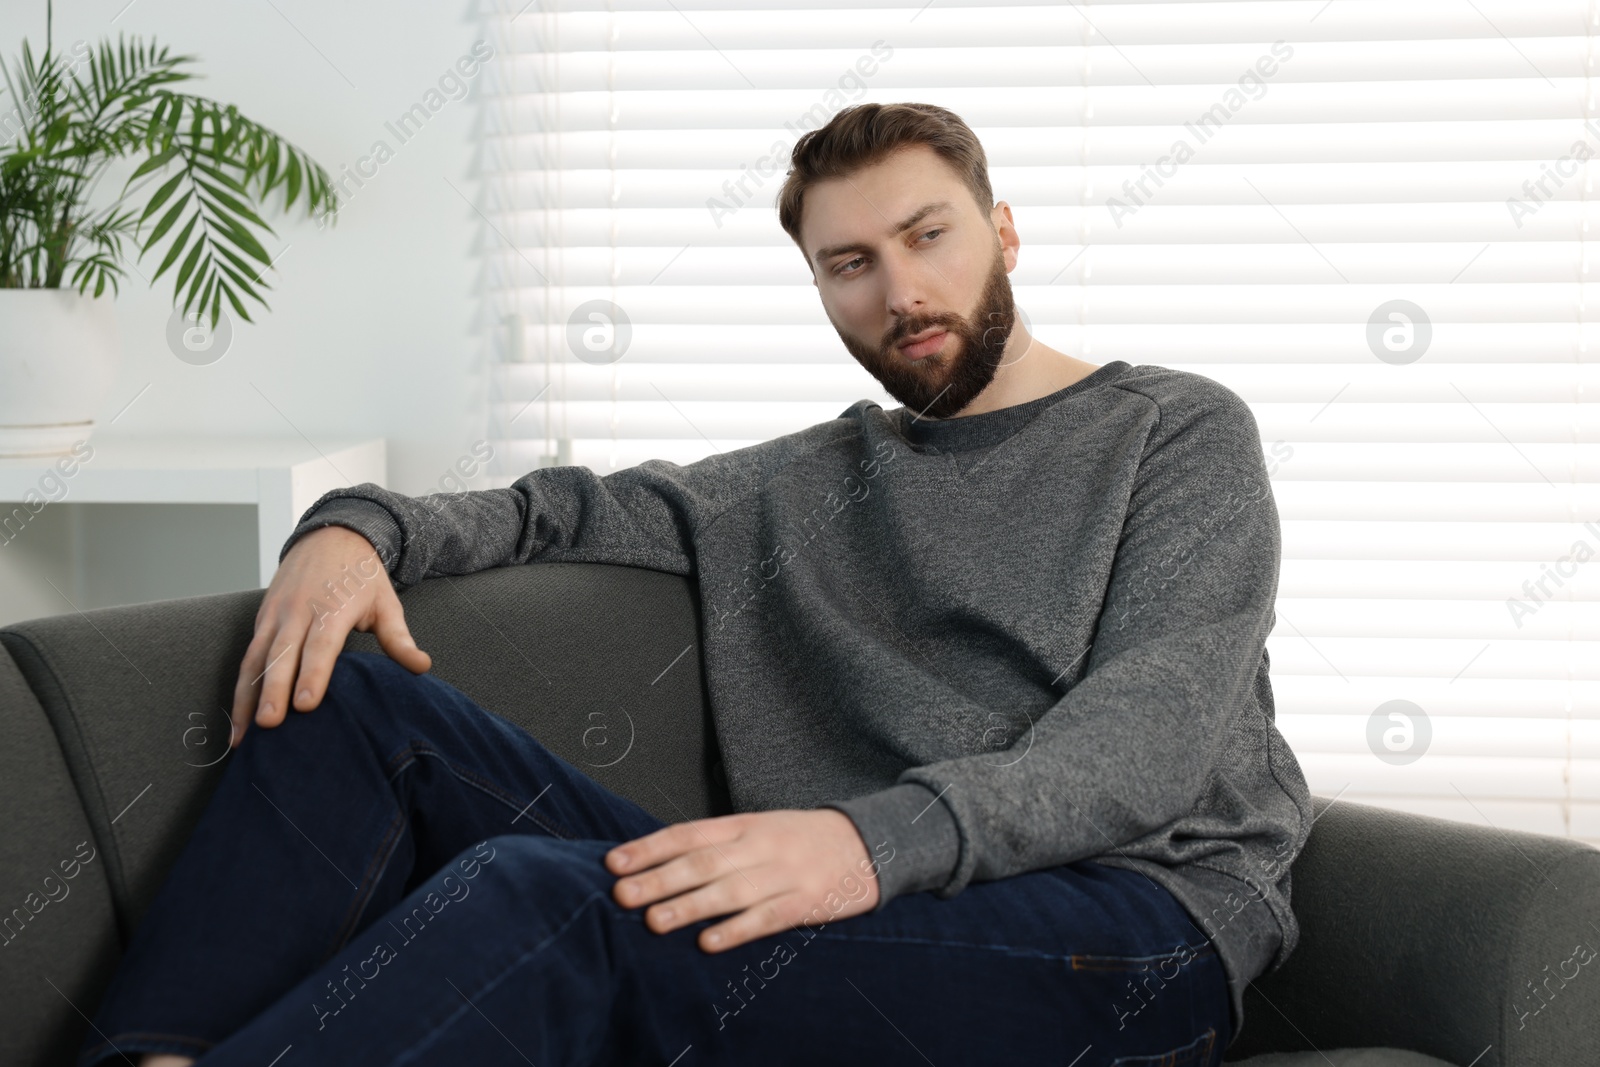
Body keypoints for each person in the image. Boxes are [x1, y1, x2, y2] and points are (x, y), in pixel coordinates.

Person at [79, 101, 1309, 1067]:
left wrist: (865, 841)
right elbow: (552, 507)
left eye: (928, 234)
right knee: (351, 706)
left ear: (1004, 229)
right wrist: (351, 531)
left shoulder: (1174, 431)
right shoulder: (801, 482)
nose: (901, 292)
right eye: (850, 262)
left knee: (538, 898)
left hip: (1131, 932)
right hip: (832, 907)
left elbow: (1144, 737)